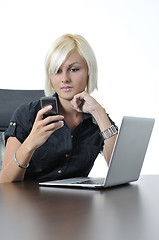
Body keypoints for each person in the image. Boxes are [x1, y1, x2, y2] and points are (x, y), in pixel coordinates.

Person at [0, 33, 118, 183]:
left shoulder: (98, 120)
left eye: (74, 69)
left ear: (89, 71)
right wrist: (30, 143)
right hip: (31, 203)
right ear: (50, 76)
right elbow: (4, 183)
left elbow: (121, 171)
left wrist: (100, 113)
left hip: (77, 203)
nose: (65, 79)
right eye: (57, 70)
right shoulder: (27, 114)